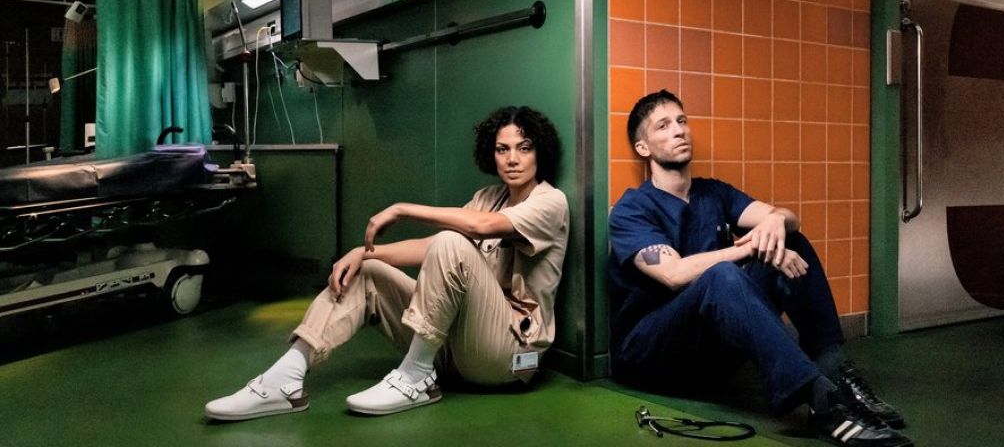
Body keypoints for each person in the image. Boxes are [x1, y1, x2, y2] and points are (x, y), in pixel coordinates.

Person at [205, 105, 569, 421]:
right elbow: (431, 247)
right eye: (502, 149)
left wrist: (401, 209)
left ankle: (416, 376)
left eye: (524, 148)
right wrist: (364, 253)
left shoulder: (550, 202)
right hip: (458, 349)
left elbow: (478, 229)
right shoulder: (489, 197)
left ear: (540, 152)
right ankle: (284, 380)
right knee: (368, 272)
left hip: (509, 356)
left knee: (451, 241)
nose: (512, 159)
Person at [608, 90, 912, 447]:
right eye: (663, 125)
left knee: (791, 241)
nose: (679, 130)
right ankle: (824, 405)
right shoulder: (632, 209)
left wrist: (776, 223)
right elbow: (673, 275)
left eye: (682, 121)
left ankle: (836, 374)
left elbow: (789, 219)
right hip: (652, 356)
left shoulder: (713, 193)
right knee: (722, 275)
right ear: (643, 147)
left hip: (710, 357)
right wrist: (751, 247)